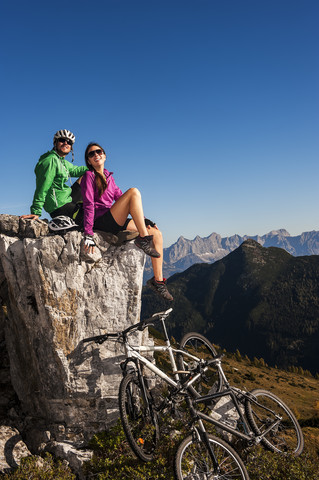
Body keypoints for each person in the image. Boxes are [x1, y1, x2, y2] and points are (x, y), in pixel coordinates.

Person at [81, 142, 173, 301]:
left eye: (99, 152)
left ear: (104, 155)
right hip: (101, 221)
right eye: (91, 154)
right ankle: (143, 239)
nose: (96, 155)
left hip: (114, 219)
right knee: (134, 192)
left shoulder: (109, 178)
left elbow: (124, 201)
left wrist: (146, 221)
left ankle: (157, 281)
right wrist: (88, 233)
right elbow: (88, 204)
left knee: (157, 234)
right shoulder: (88, 177)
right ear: (88, 161)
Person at [21, 129, 88, 222]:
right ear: (55, 143)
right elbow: (42, 186)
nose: (66, 143)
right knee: (91, 216)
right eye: (62, 140)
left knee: (88, 174)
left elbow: (77, 170)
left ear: (71, 147)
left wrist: (97, 168)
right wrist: (36, 211)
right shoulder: (51, 160)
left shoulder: (62, 161)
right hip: (59, 207)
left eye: (69, 142)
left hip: (67, 198)